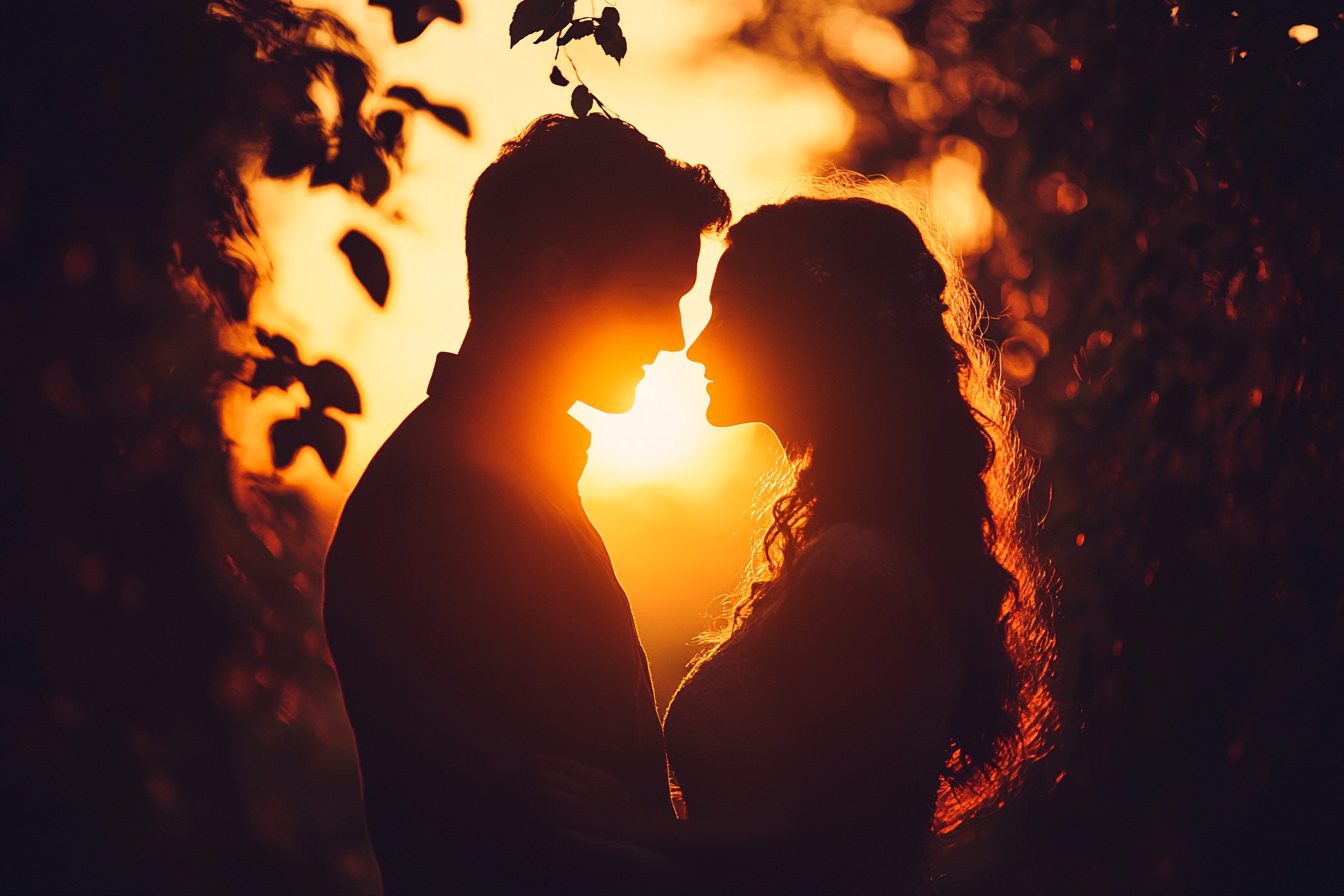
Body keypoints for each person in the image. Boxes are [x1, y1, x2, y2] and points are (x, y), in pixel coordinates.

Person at [539, 178, 1055, 894]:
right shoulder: (853, 550)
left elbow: (834, 845)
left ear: (800, 338)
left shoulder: (857, 568)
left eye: (727, 316)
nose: (698, 347)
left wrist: (638, 827)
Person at [322, 114, 731, 893]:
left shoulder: (511, 475)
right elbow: (509, 836)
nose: (676, 337)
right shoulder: (449, 499)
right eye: (656, 294)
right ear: (556, 280)